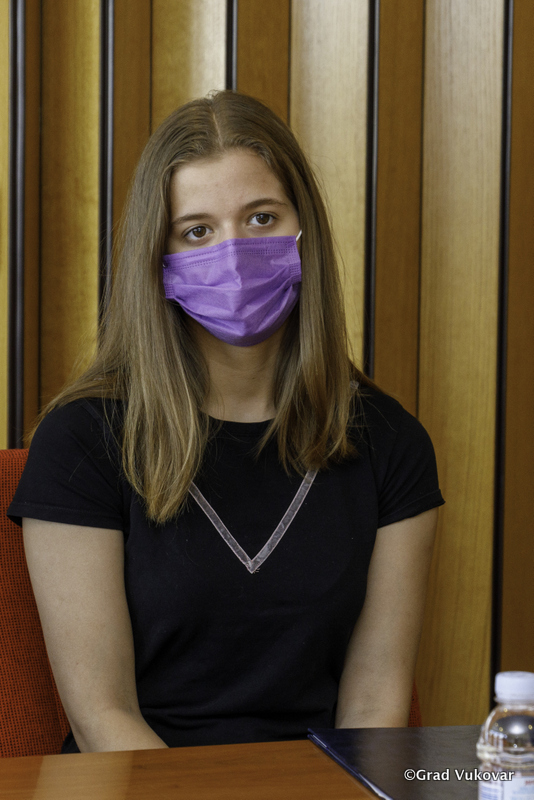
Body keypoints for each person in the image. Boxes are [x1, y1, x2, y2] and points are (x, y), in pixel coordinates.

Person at [8, 91, 444, 754]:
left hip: (317, 788)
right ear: (157, 256)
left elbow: (375, 702)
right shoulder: (83, 440)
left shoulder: (391, 442)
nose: (234, 255)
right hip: (138, 786)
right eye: (197, 231)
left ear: (305, 232)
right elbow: (103, 716)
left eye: (262, 217)